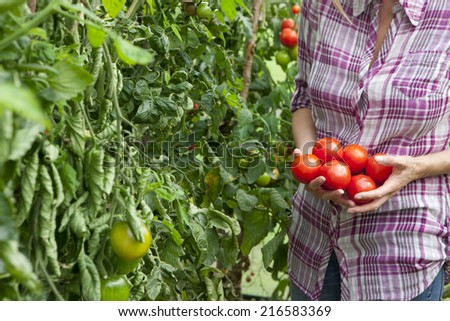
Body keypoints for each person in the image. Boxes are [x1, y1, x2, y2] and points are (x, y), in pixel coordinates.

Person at [289, 0, 450, 301]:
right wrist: (311, 159)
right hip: (313, 243)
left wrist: (417, 167)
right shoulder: (323, 4)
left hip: (401, 252)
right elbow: (303, 99)